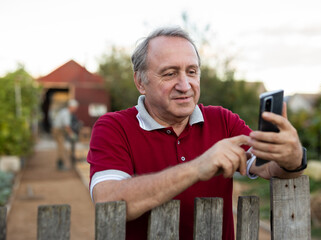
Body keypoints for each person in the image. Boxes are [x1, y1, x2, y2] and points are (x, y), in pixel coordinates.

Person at [87, 26, 306, 239]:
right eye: (170, 73)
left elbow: (267, 167)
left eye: (191, 72)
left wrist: (293, 158)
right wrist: (198, 167)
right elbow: (108, 200)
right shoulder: (113, 127)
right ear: (140, 82)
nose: (185, 85)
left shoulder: (223, 120)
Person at [52, 99, 79, 170]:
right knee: (61, 147)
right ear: (71, 107)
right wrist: (72, 134)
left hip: (59, 130)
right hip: (58, 131)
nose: (75, 110)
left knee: (61, 147)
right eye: (75, 108)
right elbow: (67, 126)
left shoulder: (65, 112)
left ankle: (60, 163)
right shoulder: (66, 113)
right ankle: (60, 164)